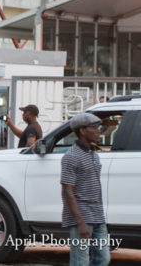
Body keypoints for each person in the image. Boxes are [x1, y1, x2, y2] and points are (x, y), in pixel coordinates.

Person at [61, 113, 110, 266]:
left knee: (103, 258)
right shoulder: (71, 156)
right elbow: (67, 191)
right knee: (80, 261)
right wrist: (79, 222)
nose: (98, 131)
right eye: (94, 128)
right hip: (81, 217)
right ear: (82, 131)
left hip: (97, 215)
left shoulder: (93, 153)